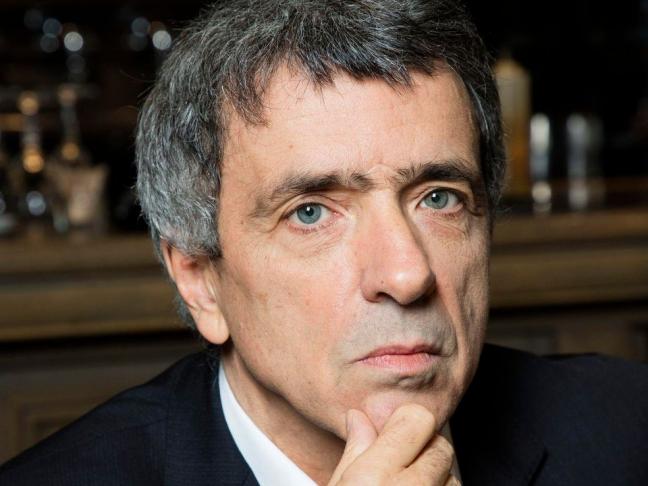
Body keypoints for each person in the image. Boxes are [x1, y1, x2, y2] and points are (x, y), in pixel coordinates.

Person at [1, 1, 647, 484]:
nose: (406, 275)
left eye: (439, 198)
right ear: (200, 281)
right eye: (311, 213)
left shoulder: (628, 429)